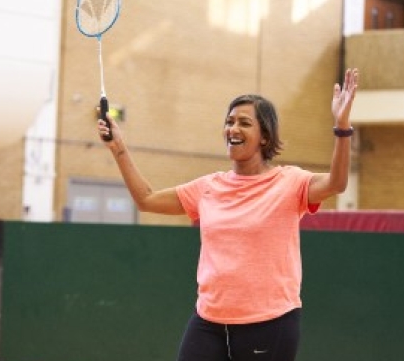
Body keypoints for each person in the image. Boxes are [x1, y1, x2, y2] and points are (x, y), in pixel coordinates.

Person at [97, 68, 359, 361]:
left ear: (264, 137)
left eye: (244, 123)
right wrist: (118, 147)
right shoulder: (208, 187)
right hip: (209, 321)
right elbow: (146, 199)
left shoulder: (290, 182)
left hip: (270, 322)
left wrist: (342, 126)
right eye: (229, 121)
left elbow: (336, 183)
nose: (233, 128)